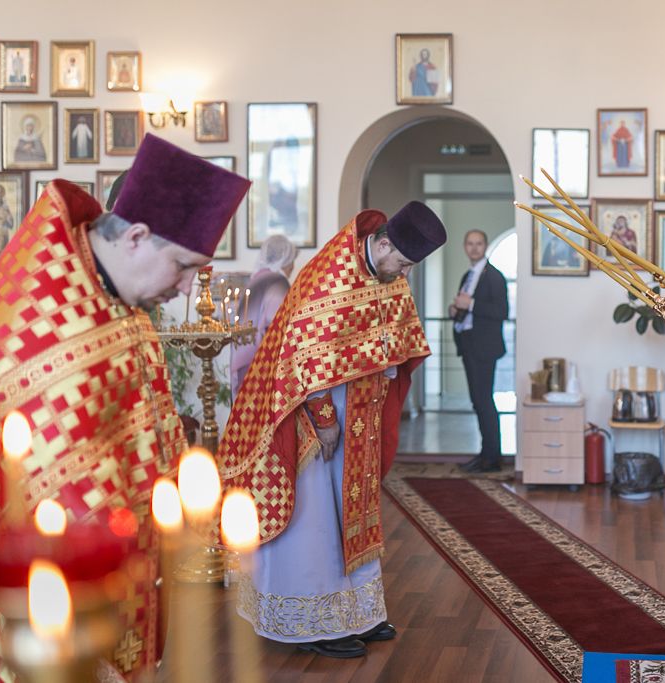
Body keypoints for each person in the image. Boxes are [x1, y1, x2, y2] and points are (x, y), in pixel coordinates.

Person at [0, 133, 251, 683]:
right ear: (136, 236)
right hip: (44, 608)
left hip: (122, 577)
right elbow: (49, 497)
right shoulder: (41, 316)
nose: (186, 289)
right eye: (183, 267)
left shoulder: (114, 297)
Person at [218, 200, 446, 658]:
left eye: (410, 268)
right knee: (315, 514)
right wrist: (324, 420)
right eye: (402, 263)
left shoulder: (387, 276)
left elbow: (395, 336)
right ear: (384, 244)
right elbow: (302, 356)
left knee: (353, 508)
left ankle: (358, 612)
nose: (403, 275)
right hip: (312, 418)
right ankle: (311, 620)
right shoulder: (330, 274)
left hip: (362, 411)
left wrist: (387, 368)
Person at [451, 230, 509, 473]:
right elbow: (465, 309)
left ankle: (492, 458)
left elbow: (502, 312)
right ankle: (486, 454)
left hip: (484, 348)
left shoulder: (494, 276)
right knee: (478, 401)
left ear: (485, 246)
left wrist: (471, 304)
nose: (474, 248)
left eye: (479, 243)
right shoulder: (469, 275)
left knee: (484, 402)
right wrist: (455, 311)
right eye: (470, 243)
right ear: (465, 246)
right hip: (469, 344)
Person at [230, 234, 297, 396]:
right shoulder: (278, 282)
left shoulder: (256, 278)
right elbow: (280, 324)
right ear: (286, 260)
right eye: (292, 261)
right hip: (261, 361)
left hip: (242, 355)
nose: (293, 266)